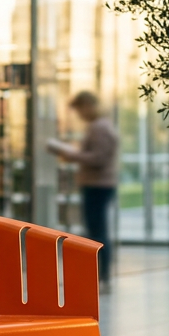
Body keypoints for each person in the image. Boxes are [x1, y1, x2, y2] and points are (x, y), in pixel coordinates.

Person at [47, 91, 119, 282]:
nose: (80, 116)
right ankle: (100, 274)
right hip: (99, 184)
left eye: (80, 110)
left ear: (88, 106)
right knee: (96, 229)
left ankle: (101, 275)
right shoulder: (101, 126)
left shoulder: (99, 128)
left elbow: (98, 158)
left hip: (97, 184)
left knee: (97, 231)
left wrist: (71, 155)